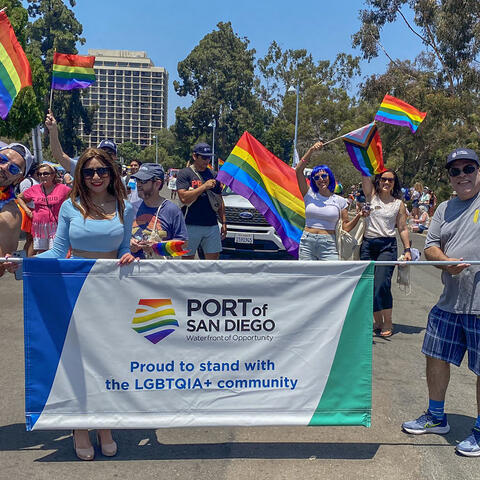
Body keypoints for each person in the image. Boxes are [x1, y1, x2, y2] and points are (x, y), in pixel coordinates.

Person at [37, 148, 135, 460]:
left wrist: (131, 255)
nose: (95, 176)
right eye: (89, 171)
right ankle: (80, 425)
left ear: (112, 174)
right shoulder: (70, 207)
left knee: (107, 360)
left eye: (101, 171)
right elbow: (57, 251)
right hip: (74, 291)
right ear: (80, 175)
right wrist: (23, 263)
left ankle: (104, 423)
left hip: (111, 293)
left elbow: (124, 247)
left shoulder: (124, 207)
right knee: (77, 361)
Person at [402, 148, 480, 457]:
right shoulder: (445, 208)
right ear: (449, 177)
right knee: (434, 354)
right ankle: (436, 417)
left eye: (469, 168)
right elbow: (431, 245)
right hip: (450, 301)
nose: (462, 175)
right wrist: (445, 261)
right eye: (455, 171)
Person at [360, 168, 411, 337]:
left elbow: (402, 228)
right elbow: (364, 175)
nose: (387, 183)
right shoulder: (371, 196)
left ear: (394, 183)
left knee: (382, 284)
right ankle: (378, 321)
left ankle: (388, 321)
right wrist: (363, 158)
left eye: (390, 180)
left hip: (387, 246)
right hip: (368, 245)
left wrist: (407, 249)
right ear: (378, 181)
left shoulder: (398, 204)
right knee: (369, 285)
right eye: (383, 179)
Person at [295, 141, 365, 260]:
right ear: (313, 180)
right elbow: (298, 170)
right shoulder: (309, 194)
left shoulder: (340, 201)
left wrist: (359, 215)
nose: (321, 179)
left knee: (330, 277)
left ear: (330, 177)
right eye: (316, 177)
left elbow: (346, 227)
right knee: (306, 277)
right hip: (307, 242)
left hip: (329, 244)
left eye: (324, 176)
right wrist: (311, 150)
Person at [176, 143, 226, 259]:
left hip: (211, 225)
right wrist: (203, 187)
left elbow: (220, 200)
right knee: (187, 263)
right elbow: (183, 197)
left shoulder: (213, 175)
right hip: (190, 225)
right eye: (203, 157)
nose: (206, 160)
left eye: (208, 157)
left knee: (213, 263)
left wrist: (223, 222)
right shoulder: (185, 173)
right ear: (195, 156)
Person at [130, 163, 187, 258]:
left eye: (143, 181)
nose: (139, 184)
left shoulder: (172, 210)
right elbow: (120, 238)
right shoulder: (130, 208)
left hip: (160, 270)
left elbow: (183, 244)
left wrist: (156, 247)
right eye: (138, 180)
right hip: (133, 269)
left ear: (157, 184)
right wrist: (129, 243)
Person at [16, 163, 70, 254]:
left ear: (53, 175)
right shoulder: (34, 189)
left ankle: (55, 268)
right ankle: (34, 267)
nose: (42, 176)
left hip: (56, 225)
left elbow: (74, 199)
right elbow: (19, 197)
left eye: (45, 173)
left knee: (55, 251)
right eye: (39, 174)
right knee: (41, 251)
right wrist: (27, 210)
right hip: (39, 225)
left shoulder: (63, 189)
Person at [0, 143, 34, 276]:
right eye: (2, 159)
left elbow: (1, 268)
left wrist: (7, 264)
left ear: (18, 179)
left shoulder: (10, 215)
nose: (3, 167)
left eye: (13, 169)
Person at [18, 164, 39, 257]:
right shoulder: (27, 181)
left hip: (35, 210)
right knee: (33, 239)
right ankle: (27, 259)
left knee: (32, 239)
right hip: (30, 211)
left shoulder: (36, 181)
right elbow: (24, 197)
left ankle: (25, 258)